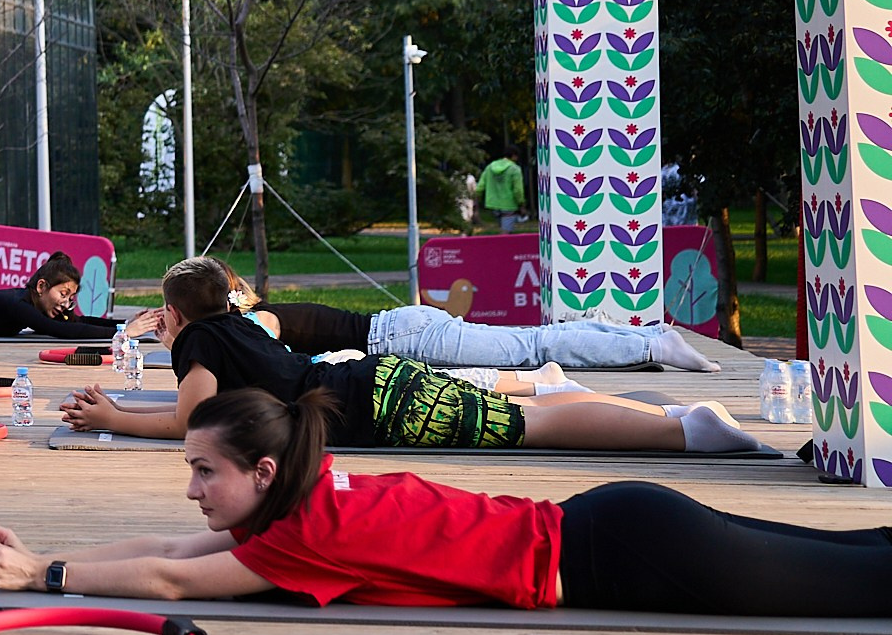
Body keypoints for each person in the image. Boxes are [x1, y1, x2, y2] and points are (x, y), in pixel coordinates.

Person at [0, 385, 892, 616]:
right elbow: (168, 542)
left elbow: (169, 579)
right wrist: (51, 552)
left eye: (206, 469)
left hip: (627, 551)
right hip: (619, 521)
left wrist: (45, 574)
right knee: (856, 557)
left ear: (263, 475)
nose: (193, 487)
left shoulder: (304, 534)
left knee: (859, 587)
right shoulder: (304, 501)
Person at [61, 257, 756, 454]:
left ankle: (680, 428)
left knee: (532, 422)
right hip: (378, 379)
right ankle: (670, 419)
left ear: (176, 315)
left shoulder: (206, 341)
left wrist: (111, 416)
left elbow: (190, 417)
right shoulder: (238, 329)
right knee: (525, 403)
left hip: (380, 393)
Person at [237, 295, 718, 375]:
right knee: (535, 337)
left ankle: (654, 345)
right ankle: (651, 336)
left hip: (403, 340)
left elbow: (276, 361)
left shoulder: (257, 320)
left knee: (533, 347)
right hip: (406, 329)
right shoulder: (258, 312)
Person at [479, 155, 526, 233]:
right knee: (506, 233)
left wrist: (477, 201)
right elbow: (518, 190)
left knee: (498, 230)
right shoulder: (515, 169)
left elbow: (480, 187)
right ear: (514, 156)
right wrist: (521, 204)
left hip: (492, 204)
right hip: (509, 205)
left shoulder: (489, 167)